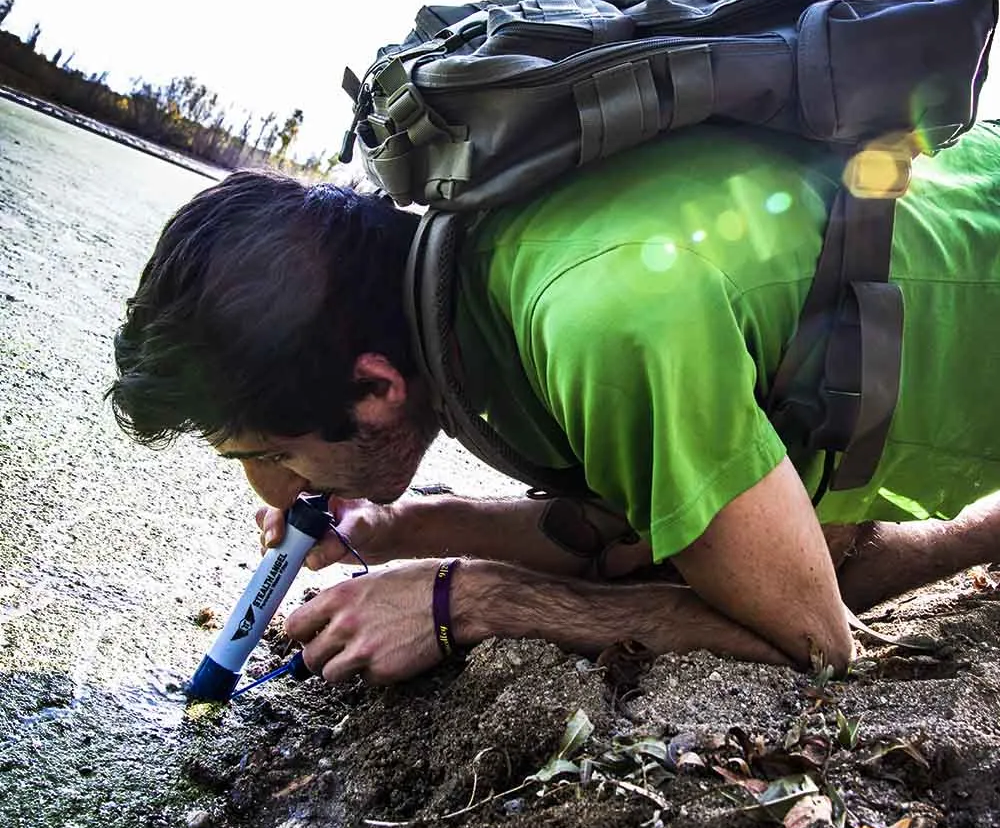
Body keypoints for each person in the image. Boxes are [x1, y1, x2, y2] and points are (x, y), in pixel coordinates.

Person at [109, 120, 1000, 686]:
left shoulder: (595, 328)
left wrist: (472, 601)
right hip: (959, 195)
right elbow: (617, 532)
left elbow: (814, 640)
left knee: (764, 584)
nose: (274, 494)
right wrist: (410, 530)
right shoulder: (483, 258)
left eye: (270, 454)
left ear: (375, 387)